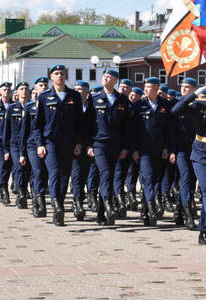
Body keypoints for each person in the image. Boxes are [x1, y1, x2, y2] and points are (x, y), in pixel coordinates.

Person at [172, 72, 206, 245]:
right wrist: (195, 93)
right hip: (200, 154)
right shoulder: (200, 103)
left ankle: (203, 231)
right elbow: (176, 110)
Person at [34, 65, 83, 226]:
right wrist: (40, 144)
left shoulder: (74, 96)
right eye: (56, 73)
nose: (60, 76)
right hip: (51, 142)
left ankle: (59, 203)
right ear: (51, 77)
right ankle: (56, 206)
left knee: (64, 175)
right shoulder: (44, 97)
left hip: (69, 143)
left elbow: (79, 123)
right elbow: (38, 125)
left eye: (62, 73)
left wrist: (78, 143)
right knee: (54, 172)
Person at [85, 69, 132, 225]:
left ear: (115, 81)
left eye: (109, 77)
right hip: (99, 144)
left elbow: (127, 127)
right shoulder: (94, 98)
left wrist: (125, 147)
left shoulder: (122, 100)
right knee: (105, 173)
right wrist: (88, 145)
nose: (105, 78)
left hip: (116, 145)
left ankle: (100, 214)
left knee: (109, 177)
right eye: (104, 76)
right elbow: (88, 124)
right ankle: (109, 206)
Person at [132, 77, 171, 226]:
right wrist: (134, 149)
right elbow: (133, 130)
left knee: (155, 180)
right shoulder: (138, 105)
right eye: (146, 87)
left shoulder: (165, 105)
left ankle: (144, 213)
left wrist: (167, 147)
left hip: (160, 149)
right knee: (147, 177)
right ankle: (151, 207)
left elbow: (169, 130)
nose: (148, 89)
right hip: (143, 150)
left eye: (151, 87)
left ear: (157, 89)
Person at [169, 77, 199, 230]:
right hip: (181, 149)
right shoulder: (178, 104)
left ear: (194, 89)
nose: (184, 89)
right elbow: (173, 131)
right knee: (186, 177)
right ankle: (189, 216)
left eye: (187, 87)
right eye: (183, 86)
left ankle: (179, 211)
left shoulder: (198, 106)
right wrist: (172, 150)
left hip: (196, 149)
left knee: (191, 181)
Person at [20, 77, 49, 217]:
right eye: (40, 85)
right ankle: (39, 201)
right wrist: (21, 153)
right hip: (32, 144)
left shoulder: (52, 103)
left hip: (48, 143)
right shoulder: (29, 107)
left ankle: (37, 194)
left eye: (45, 85)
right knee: (37, 171)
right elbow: (24, 132)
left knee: (45, 173)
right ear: (35, 89)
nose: (43, 87)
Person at [3, 82, 31, 209]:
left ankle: (24, 189)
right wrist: (5, 148)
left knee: (28, 170)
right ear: (17, 93)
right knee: (19, 167)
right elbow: (6, 130)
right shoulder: (12, 108)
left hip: (29, 143)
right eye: (21, 89)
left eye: (26, 89)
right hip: (15, 143)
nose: (24, 91)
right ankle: (20, 194)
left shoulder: (33, 107)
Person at [72, 80, 92, 220]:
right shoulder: (70, 106)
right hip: (75, 147)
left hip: (90, 146)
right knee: (77, 174)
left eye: (80, 89)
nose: (78, 91)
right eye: (76, 89)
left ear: (87, 92)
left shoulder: (93, 106)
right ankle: (78, 202)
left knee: (87, 175)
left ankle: (82, 197)